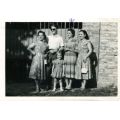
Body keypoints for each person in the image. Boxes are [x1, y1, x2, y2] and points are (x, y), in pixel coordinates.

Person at [46, 23, 64, 90]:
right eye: (51, 29)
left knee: (56, 69)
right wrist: (49, 51)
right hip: (49, 54)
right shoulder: (48, 37)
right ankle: (48, 85)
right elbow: (46, 46)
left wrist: (56, 50)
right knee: (48, 69)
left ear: (56, 29)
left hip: (56, 54)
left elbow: (62, 47)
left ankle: (55, 85)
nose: (53, 30)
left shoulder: (60, 37)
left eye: (54, 29)